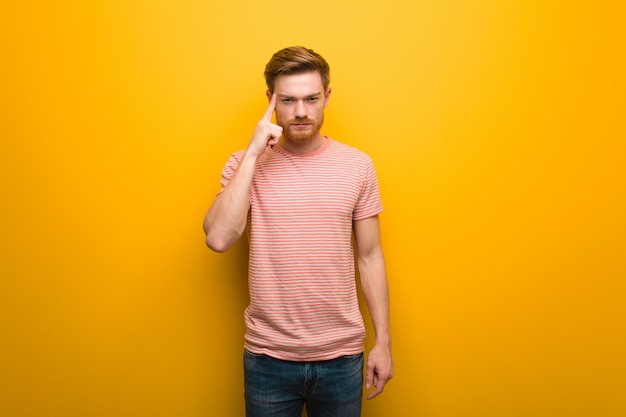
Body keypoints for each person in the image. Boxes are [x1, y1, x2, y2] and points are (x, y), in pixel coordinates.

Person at [203, 46, 393, 417]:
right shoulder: (245, 165)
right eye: (287, 100)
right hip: (268, 358)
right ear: (270, 100)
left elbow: (370, 256)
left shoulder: (357, 166)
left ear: (327, 96)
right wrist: (254, 154)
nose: (301, 112)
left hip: (341, 357)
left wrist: (383, 340)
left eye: (311, 98)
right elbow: (219, 238)